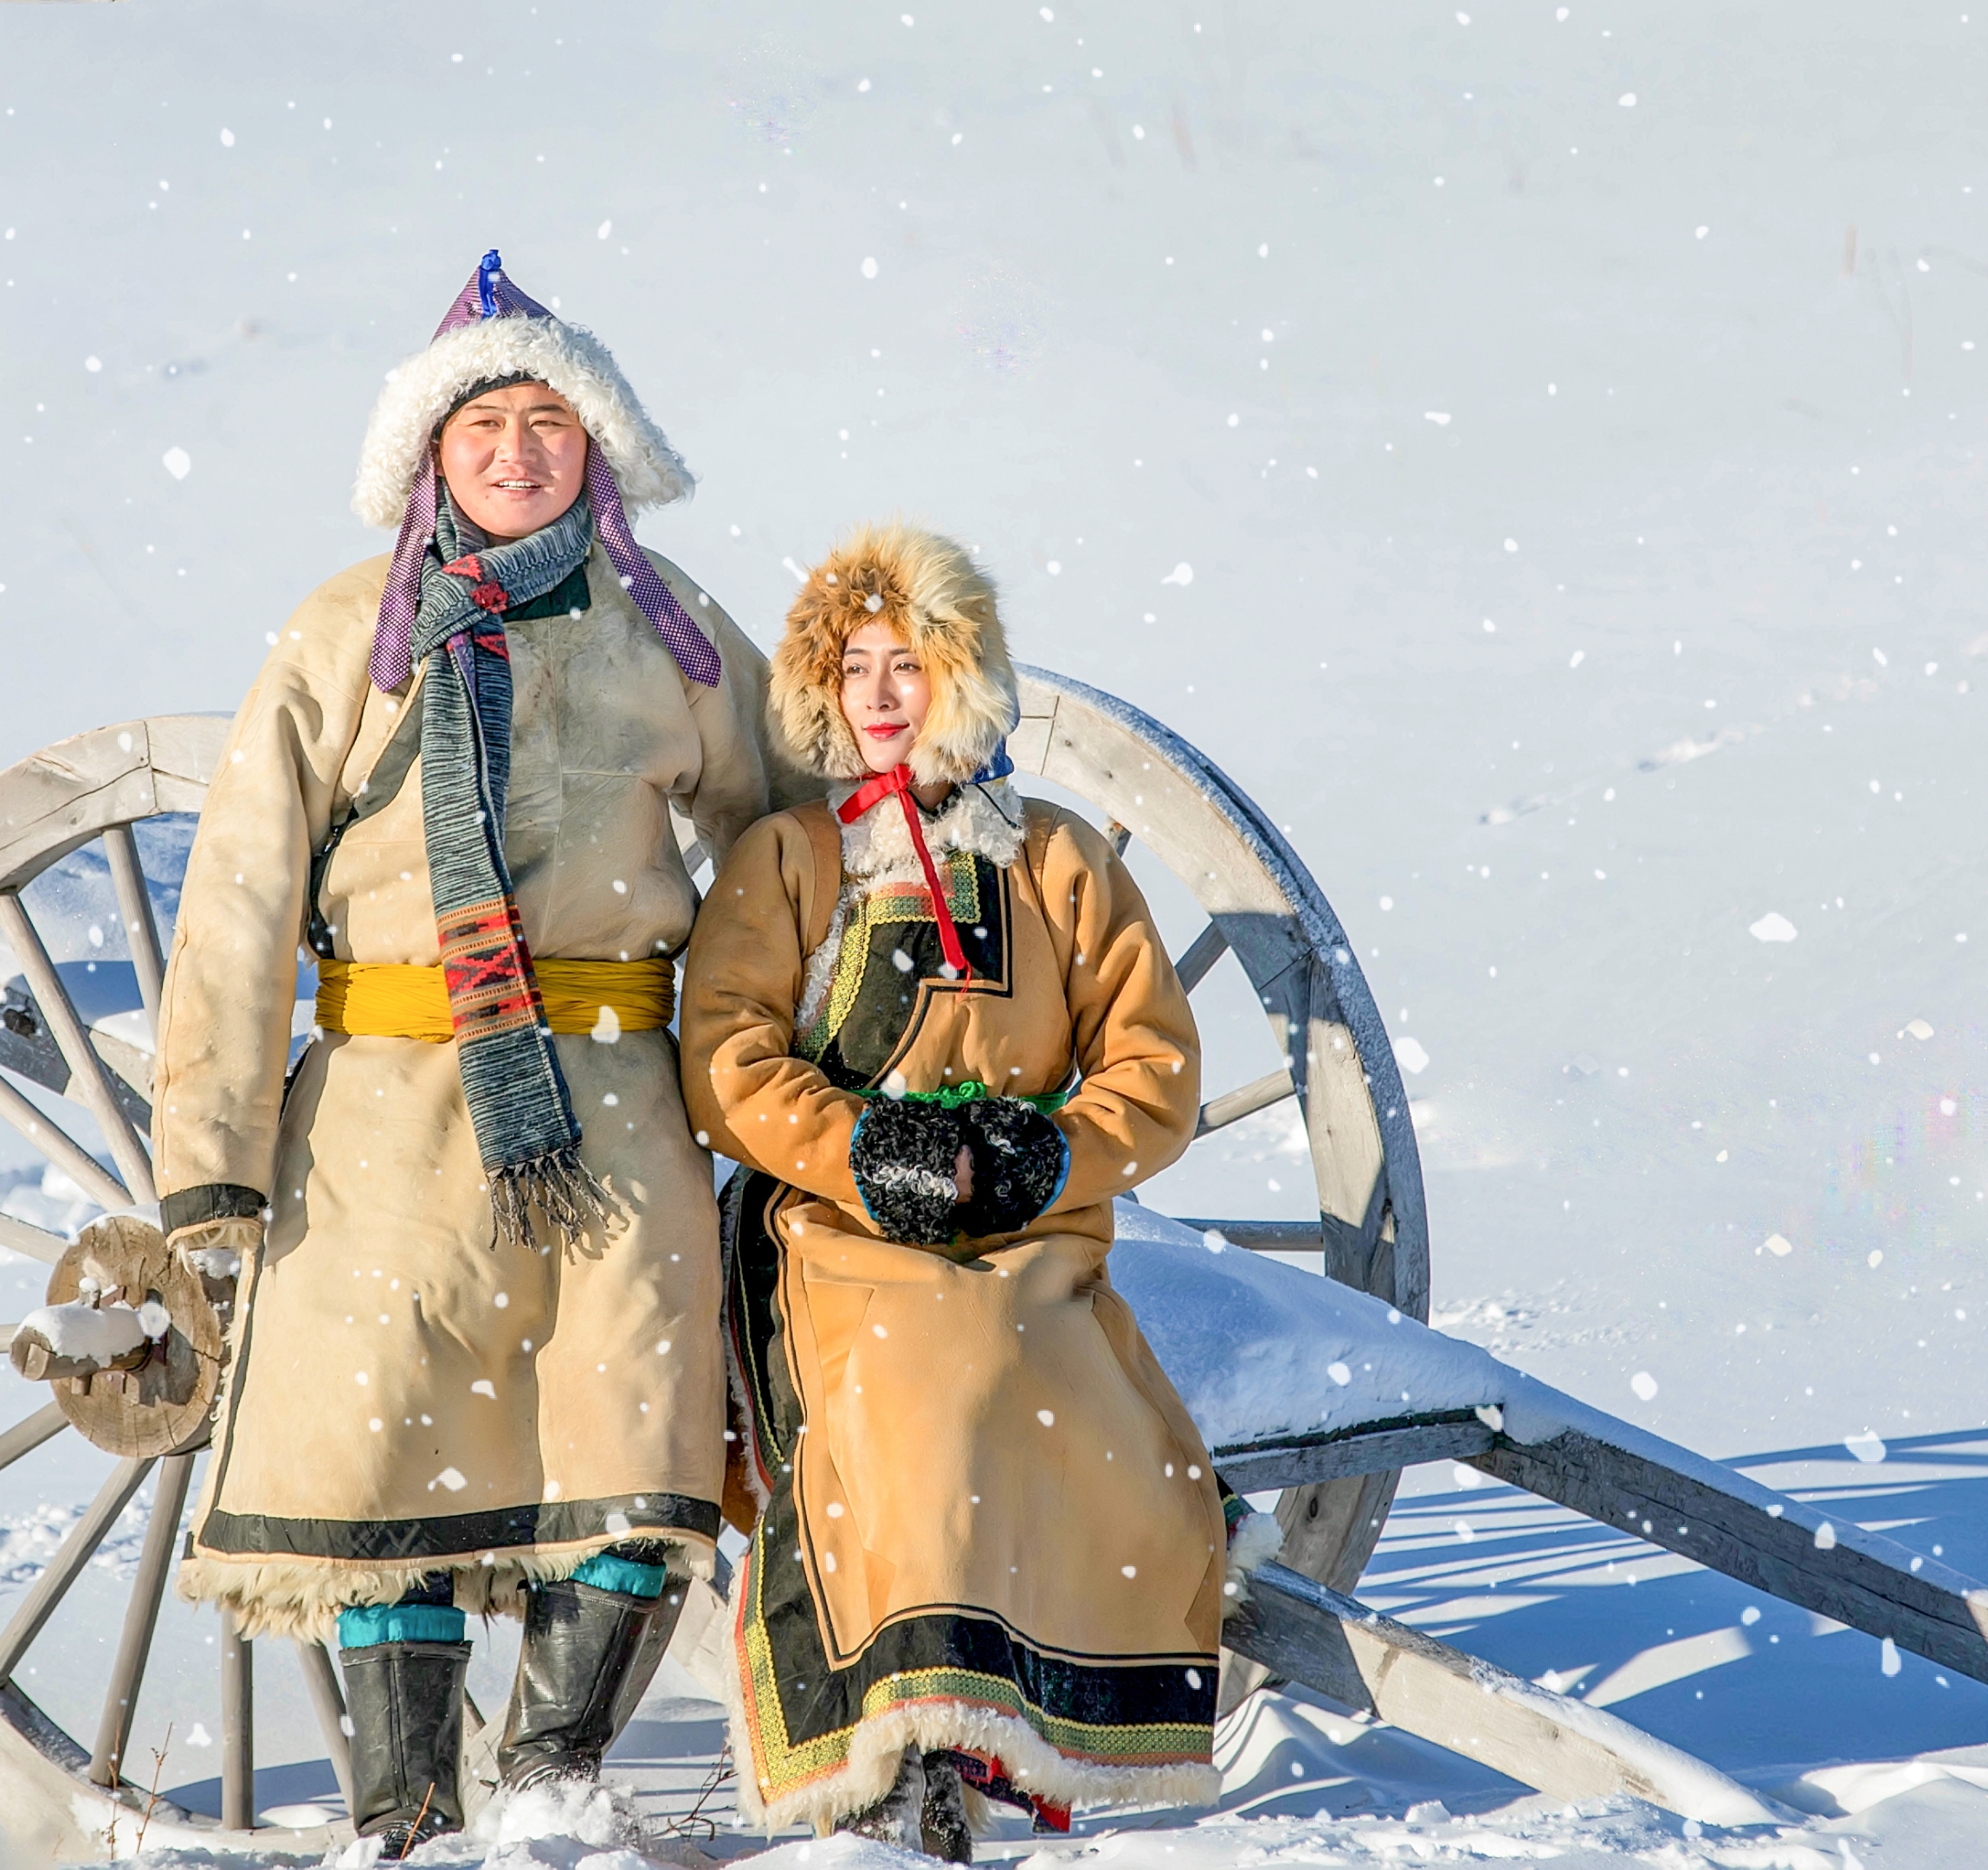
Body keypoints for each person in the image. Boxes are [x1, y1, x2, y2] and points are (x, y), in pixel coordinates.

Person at [150, 253, 781, 1855]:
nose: (518, 452)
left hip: (616, 1097)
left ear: (600, 444)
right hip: (381, 1113)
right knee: (384, 1481)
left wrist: (791, 1067)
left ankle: (553, 1790)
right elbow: (237, 903)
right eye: (484, 422)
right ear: (430, 454)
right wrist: (210, 1163)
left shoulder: (674, 633)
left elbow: (784, 850)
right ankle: (409, 1821)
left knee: (635, 1453)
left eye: (548, 420)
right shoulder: (341, 637)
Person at [677, 522, 1278, 1858]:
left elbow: (1155, 1068)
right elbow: (725, 1062)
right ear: (820, 695)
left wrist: (1054, 1151)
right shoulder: (788, 861)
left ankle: (1019, 1720)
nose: (882, 694)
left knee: (1021, 1351)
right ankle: (906, 1738)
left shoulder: (1057, 858)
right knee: (916, 1371)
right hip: (837, 1237)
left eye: (911, 665)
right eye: (856, 670)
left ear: (966, 681)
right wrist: (857, 1152)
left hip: (1034, 1236)